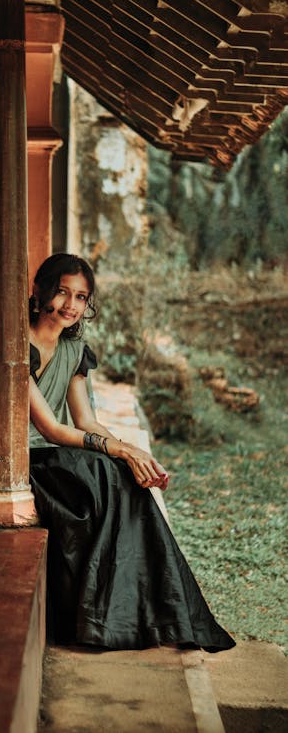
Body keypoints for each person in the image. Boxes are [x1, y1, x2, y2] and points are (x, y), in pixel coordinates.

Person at [28, 252, 235, 652]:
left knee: (120, 476)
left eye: (81, 297)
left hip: (50, 451)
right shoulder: (18, 343)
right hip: (16, 457)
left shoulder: (74, 346)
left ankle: (140, 615)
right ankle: (102, 618)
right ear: (39, 292)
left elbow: (85, 420)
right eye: (62, 292)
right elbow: (50, 427)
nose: (71, 305)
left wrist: (133, 453)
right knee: (105, 473)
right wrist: (118, 453)